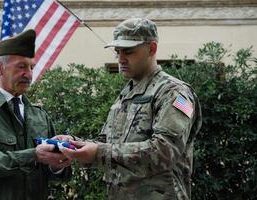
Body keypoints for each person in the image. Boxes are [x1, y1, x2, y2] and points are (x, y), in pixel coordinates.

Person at [57, 18, 202, 200]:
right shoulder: (127, 93)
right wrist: (73, 144)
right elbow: (106, 141)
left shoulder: (175, 93)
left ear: (152, 48)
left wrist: (98, 152)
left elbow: (164, 152)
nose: (120, 59)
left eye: (128, 51)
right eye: (117, 52)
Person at [0, 29, 72, 200]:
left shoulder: (39, 115)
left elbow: (56, 176)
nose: (29, 74)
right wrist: (33, 155)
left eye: (31, 67)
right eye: (21, 66)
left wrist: (59, 163)